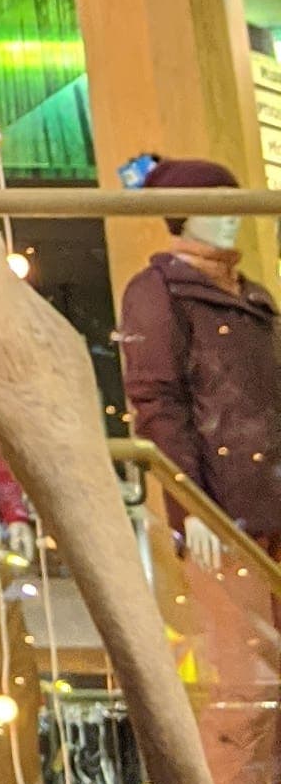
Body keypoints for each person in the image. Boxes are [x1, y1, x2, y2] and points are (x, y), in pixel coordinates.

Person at [119, 158, 281, 548]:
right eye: (213, 205)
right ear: (183, 216)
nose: (230, 217)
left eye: (234, 203)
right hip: (228, 514)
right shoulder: (158, 291)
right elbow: (158, 404)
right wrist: (191, 508)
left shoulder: (253, 295)